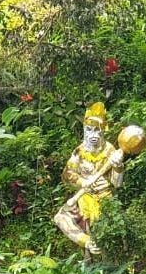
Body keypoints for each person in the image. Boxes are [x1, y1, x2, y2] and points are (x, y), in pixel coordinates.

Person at [53, 102, 125, 255]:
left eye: (96, 130)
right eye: (88, 130)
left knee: (110, 236)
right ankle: (86, 242)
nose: (92, 135)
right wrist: (83, 182)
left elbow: (117, 183)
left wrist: (118, 166)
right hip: (84, 198)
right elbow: (68, 174)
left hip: (106, 201)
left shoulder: (111, 151)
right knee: (61, 218)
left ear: (102, 131)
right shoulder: (79, 151)